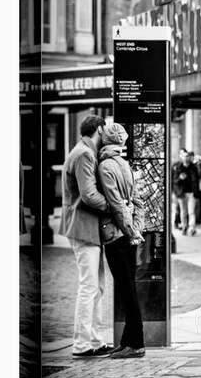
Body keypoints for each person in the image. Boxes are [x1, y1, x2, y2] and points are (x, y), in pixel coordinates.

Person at [59, 115, 113, 358]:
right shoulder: (84, 154)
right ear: (99, 129)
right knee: (89, 286)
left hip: (87, 228)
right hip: (82, 228)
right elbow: (89, 195)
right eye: (105, 131)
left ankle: (95, 340)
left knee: (97, 287)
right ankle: (82, 345)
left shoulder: (82, 151)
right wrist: (114, 206)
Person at [97, 123, 146, 359]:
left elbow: (116, 204)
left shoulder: (105, 166)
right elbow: (138, 201)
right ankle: (128, 340)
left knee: (127, 290)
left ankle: (136, 343)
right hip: (128, 235)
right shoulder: (124, 165)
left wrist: (129, 231)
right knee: (129, 288)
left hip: (116, 236)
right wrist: (136, 229)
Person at [172, 148, 199, 235]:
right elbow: (174, 180)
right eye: (184, 156)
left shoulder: (193, 167)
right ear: (181, 158)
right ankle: (184, 227)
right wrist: (180, 178)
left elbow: (197, 179)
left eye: (187, 156)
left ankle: (192, 228)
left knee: (191, 211)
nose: (186, 158)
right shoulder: (178, 167)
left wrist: (196, 192)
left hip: (191, 192)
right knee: (183, 211)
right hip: (181, 193)